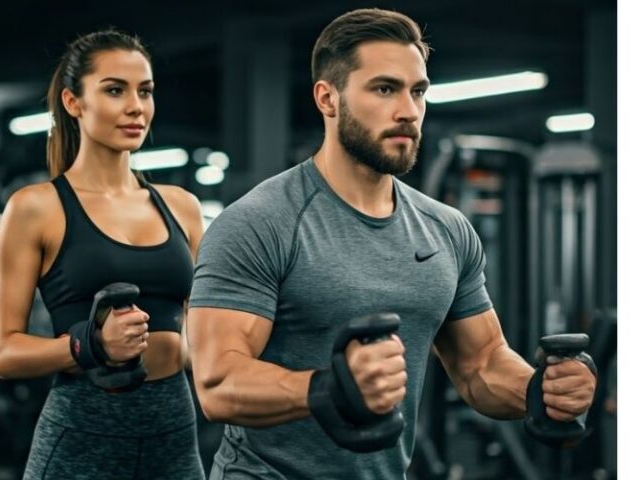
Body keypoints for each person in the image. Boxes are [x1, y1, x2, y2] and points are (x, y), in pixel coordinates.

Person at [186, 9, 597, 480]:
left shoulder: (446, 229)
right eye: (384, 89)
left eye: (417, 91)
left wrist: (540, 390)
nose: (408, 110)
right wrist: (326, 390)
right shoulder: (260, 222)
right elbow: (218, 383)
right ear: (328, 98)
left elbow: (480, 362)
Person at [0, 29, 205, 479]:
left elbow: (204, 331)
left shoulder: (181, 207)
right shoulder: (35, 208)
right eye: (114, 90)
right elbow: (5, 352)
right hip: (83, 432)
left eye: (144, 91)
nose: (135, 106)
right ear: (73, 103)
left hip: (174, 432)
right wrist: (89, 345)